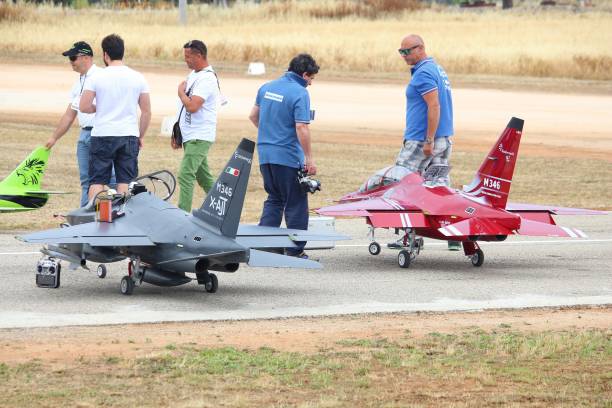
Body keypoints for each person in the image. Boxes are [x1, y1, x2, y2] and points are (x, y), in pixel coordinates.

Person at [393, 34, 461, 250]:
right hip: (444, 138)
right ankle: (453, 234)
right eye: (401, 51)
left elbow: (434, 106)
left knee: (401, 184)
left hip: (422, 141)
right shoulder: (437, 69)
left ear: (420, 48)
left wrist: (428, 140)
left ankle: (407, 237)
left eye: (407, 51)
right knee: (439, 186)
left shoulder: (423, 73)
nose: (404, 56)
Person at [248, 54, 319, 259]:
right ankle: (295, 249)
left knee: (274, 198)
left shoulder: (267, 87)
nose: (311, 83)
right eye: (311, 78)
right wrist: (309, 159)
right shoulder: (300, 93)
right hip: (288, 156)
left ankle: (264, 245)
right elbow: (301, 127)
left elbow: (253, 116)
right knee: (296, 201)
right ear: (304, 74)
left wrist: (269, 134)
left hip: (265, 154)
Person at [79, 34, 151, 201]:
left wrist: (98, 108)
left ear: (105, 55)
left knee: (97, 181)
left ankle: (93, 218)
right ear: (122, 53)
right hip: (128, 134)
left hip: (103, 133)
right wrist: (140, 136)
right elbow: (147, 111)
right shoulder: (138, 77)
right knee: (125, 182)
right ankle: (122, 219)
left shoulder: (96, 76)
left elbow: (84, 106)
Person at [45, 41, 115, 207]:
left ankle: (130, 206)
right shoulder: (79, 82)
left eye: (73, 58)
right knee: (86, 180)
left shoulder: (102, 76)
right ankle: (85, 217)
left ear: (86, 57)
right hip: (84, 135)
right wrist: (54, 138)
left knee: (112, 180)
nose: (71, 62)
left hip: (100, 134)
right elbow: (70, 114)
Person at [173, 40, 221, 212]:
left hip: (199, 136)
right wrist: (177, 133)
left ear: (199, 55)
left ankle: (182, 214)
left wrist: (180, 92)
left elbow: (192, 106)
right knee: (204, 178)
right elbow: (185, 108)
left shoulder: (207, 78)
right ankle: (223, 209)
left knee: (185, 174)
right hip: (190, 135)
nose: (186, 60)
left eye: (188, 56)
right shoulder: (194, 74)